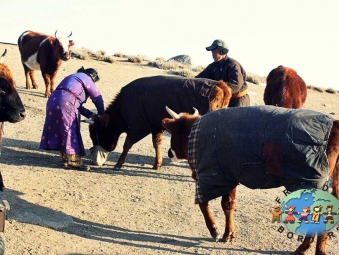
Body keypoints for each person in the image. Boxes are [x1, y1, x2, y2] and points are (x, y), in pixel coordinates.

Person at [40, 66, 104, 171]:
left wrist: (91, 115)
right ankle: (74, 162)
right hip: (67, 102)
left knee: (60, 128)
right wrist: (102, 114)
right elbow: (97, 97)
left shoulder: (72, 77)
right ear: (92, 76)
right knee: (70, 129)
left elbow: (77, 104)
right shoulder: (87, 78)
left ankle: (65, 158)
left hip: (53, 100)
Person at [195, 39, 250, 107]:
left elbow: (236, 84)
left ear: (222, 51)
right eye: (212, 52)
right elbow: (199, 78)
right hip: (224, 101)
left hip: (238, 101)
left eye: (215, 51)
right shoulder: (213, 66)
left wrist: (217, 90)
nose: (213, 54)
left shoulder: (233, 65)